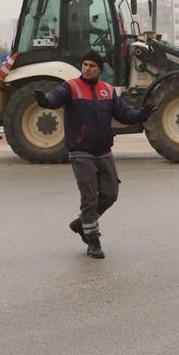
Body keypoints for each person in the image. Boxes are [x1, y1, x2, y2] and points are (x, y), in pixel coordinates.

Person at [34, 50, 154, 259]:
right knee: (89, 197)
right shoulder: (71, 87)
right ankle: (93, 240)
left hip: (104, 151)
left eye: (92, 66)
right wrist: (45, 100)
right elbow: (55, 98)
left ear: (100, 69)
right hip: (81, 152)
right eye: (85, 65)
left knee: (110, 194)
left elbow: (124, 115)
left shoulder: (107, 90)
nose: (87, 69)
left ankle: (83, 224)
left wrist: (141, 115)